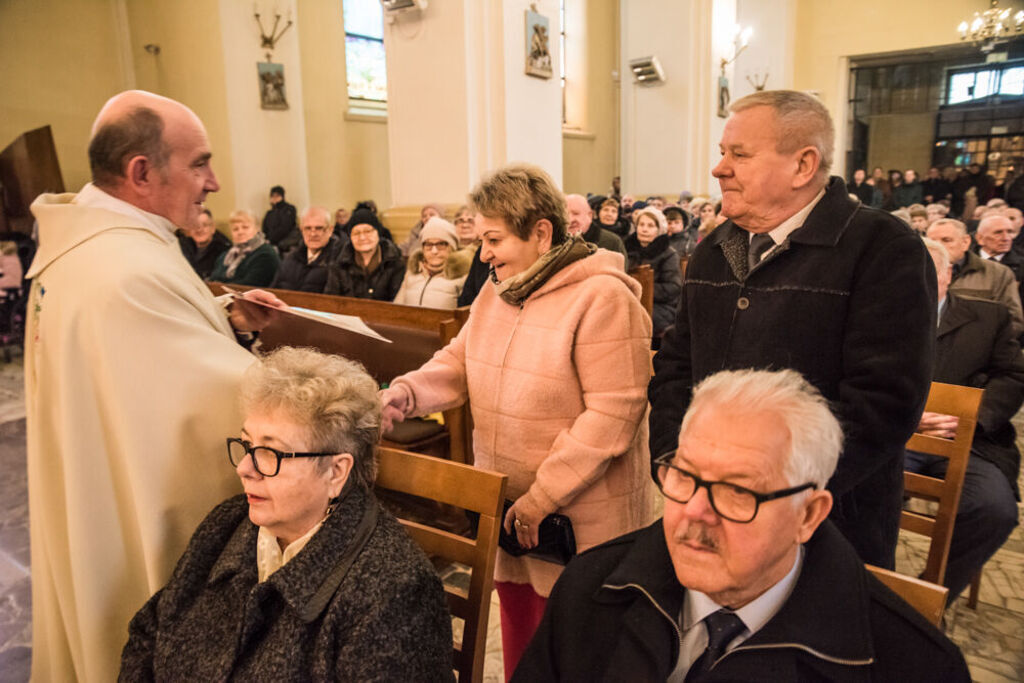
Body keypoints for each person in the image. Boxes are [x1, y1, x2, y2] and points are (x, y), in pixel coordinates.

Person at [24, 89, 283, 682]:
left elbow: (144, 357)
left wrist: (223, 321)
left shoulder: (85, 247)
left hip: (90, 500)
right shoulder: (124, 268)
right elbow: (214, 396)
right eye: (199, 163)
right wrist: (335, 401)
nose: (214, 182)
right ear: (141, 172)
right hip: (133, 534)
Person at [514, 368, 970, 682]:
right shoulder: (590, 587)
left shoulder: (912, 666)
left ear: (808, 515)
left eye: (739, 492)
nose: (695, 511)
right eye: (686, 476)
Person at [380, 163, 655, 678]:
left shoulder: (603, 297)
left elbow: (615, 412)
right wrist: (404, 394)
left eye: (494, 239)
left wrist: (542, 498)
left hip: (581, 524)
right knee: (524, 649)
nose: (483, 254)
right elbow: (459, 360)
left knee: (577, 656)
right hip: (514, 514)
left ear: (542, 233)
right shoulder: (499, 290)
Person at [648, 90, 936, 569]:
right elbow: (677, 366)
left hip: (827, 522)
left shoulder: (883, 249)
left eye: (739, 155)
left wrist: (768, 499)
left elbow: (883, 404)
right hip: (703, 511)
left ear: (803, 166)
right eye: (723, 153)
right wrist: (672, 462)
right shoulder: (713, 249)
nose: (720, 169)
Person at [119, 347, 453, 680]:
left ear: (336, 471)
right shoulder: (227, 523)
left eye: (271, 452)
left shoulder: (395, 593)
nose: (245, 468)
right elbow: (149, 633)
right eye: (248, 445)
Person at [906, 239, 1024, 604]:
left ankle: (926, 595)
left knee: (993, 509)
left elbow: (1014, 376)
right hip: (897, 436)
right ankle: (860, 584)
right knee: (845, 487)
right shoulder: (879, 314)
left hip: (969, 442)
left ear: (948, 275)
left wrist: (971, 416)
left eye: (928, 271)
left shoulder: (988, 318)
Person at [927, 217, 1024, 336]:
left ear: (966, 242)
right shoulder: (917, 273)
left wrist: (979, 344)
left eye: (946, 240)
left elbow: (1013, 321)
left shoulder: (997, 273)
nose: (939, 247)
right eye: (933, 242)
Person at [624, 206, 682, 341]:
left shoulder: (668, 254)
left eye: (650, 226)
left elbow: (673, 287)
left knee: (637, 315)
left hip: (662, 305)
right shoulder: (626, 249)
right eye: (641, 224)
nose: (644, 229)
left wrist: (644, 290)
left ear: (659, 230)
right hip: (630, 300)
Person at [324, 208, 405, 301]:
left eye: (367, 231)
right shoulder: (339, 263)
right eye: (356, 233)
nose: (362, 237)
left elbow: (397, 301)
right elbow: (331, 300)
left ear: (378, 233)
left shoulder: (394, 262)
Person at [393, 216, 469, 309]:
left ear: (452, 247)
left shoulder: (463, 275)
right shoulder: (412, 272)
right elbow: (396, 307)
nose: (434, 251)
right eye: (428, 245)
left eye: (441, 244)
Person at [270, 206, 343, 292]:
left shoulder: (340, 260)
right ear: (301, 230)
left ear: (330, 230)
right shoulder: (290, 259)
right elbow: (274, 291)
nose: (313, 234)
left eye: (319, 228)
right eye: (308, 228)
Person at [210, 209, 281, 286]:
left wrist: (221, 285)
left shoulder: (266, 254)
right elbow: (213, 278)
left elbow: (250, 284)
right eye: (235, 229)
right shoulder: (226, 255)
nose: (240, 232)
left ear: (257, 229)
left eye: (245, 227)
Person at [565, 193, 627, 263]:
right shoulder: (555, 242)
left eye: (576, 213)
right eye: (565, 214)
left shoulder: (613, 242)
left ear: (590, 215)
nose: (570, 219)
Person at [178, 207, 230, 279]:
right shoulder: (182, 246)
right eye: (195, 225)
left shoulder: (224, 251)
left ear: (213, 228)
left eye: (205, 225)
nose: (199, 229)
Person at [261, 185, 299, 254]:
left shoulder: (289, 209)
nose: (275, 198)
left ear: (282, 196)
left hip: (285, 244)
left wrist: (271, 240)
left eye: (277, 196)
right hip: (271, 243)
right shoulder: (269, 213)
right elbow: (264, 229)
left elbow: (286, 227)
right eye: (272, 196)